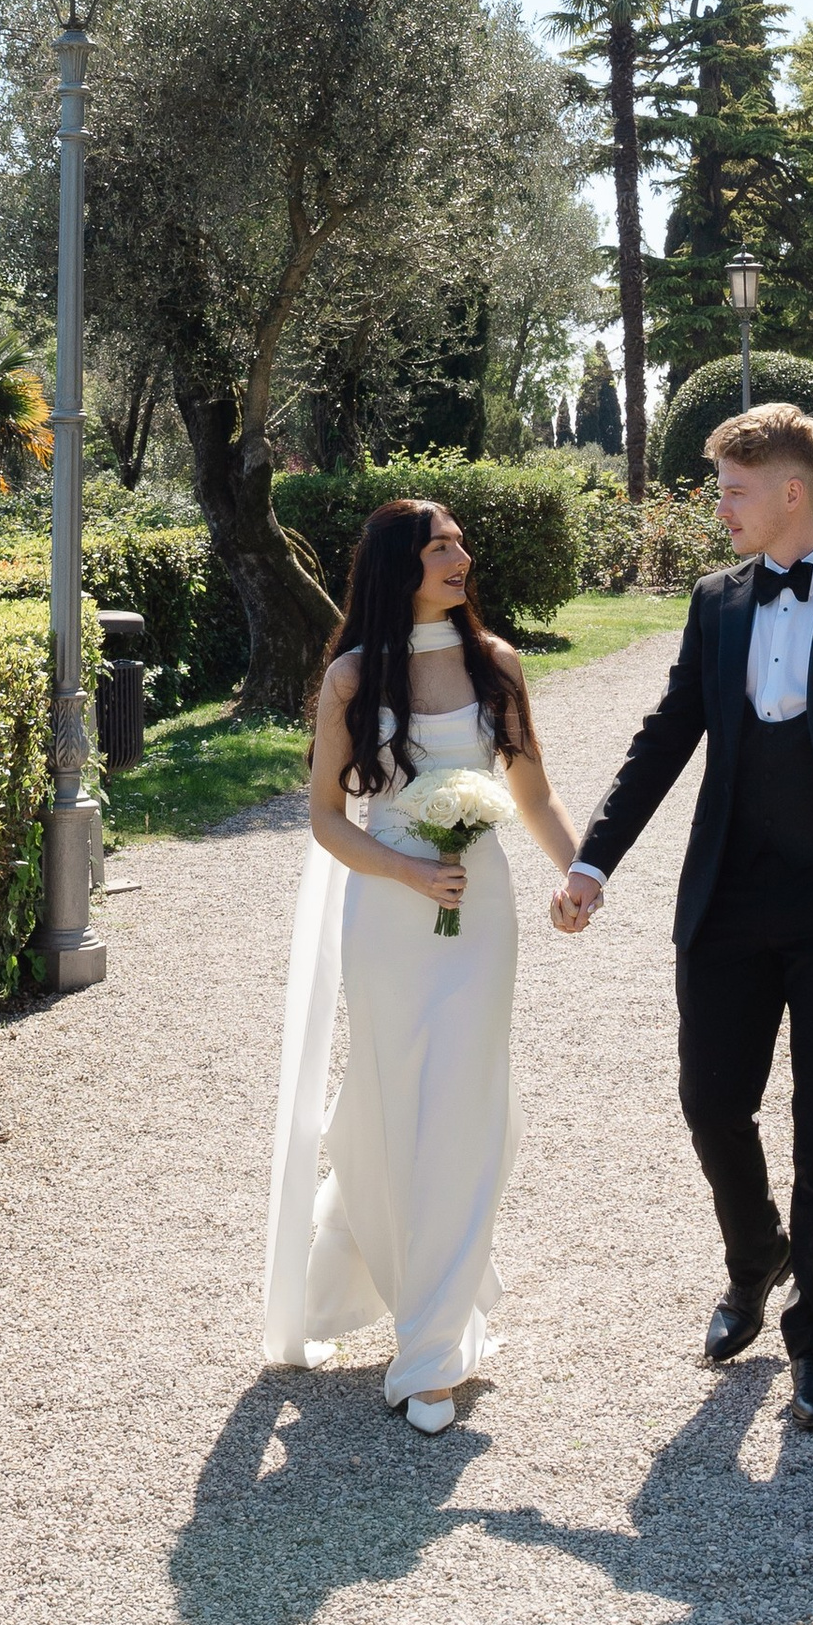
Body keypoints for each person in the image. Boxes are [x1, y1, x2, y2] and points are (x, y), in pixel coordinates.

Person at [556, 402, 813, 1435]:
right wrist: (593, 859)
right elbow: (664, 739)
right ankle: (755, 1254)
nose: (717, 508)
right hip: (727, 893)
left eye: (732, 490)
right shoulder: (717, 601)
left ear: (790, 492)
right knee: (709, 1101)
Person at [261, 497, 584, 1434]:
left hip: (480, 918)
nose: (461, 557)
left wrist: (579, 873)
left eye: (460, 543)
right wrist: (405, 869)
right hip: (391, 916)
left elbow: (533, 793)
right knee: (389, 1104)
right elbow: (324, 816)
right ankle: (376, 1260)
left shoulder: (498, 666)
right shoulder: (355, 678)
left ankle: (432, 1350)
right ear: (400, 564)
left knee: (465, 1107)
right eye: (441, 546)